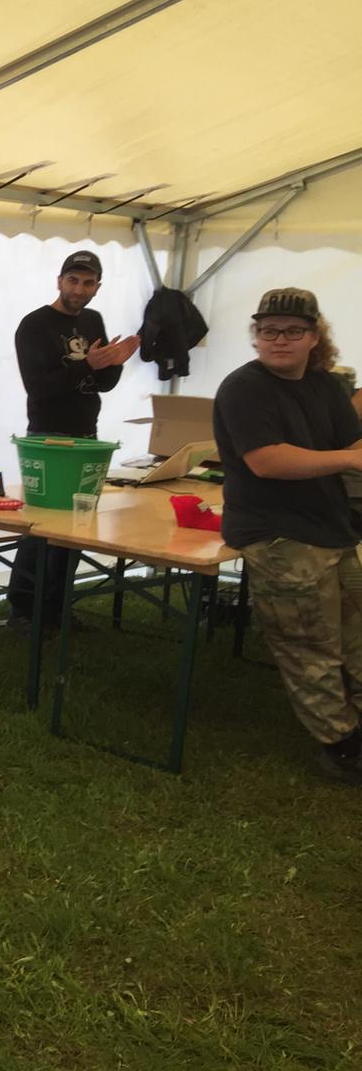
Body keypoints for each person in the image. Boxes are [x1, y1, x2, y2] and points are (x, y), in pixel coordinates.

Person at [212, 287, 362, 784]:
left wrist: (354, 452)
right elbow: (267, 460)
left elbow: (351, 438)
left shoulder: (324, 385)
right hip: (278, 535)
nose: (279, 340)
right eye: (268, 330)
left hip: (332, 529)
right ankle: (340, 746)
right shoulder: (243, 388)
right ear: (256, 335)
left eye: (293, 331)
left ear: (314, 337)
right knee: (309, 646)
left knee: (356, 638)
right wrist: (350, 459)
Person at [5, 250, 140, 633]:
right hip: (48, 437)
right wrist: (88, 364)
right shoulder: (34, 325)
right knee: (42, 526)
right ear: (59, 281)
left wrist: (114, 363)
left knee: (75, 528)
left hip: (86, 435)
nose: (79, 289)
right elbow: (39, 387)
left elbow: (102, 384)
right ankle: (23, 610)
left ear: (98, 287)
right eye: (73, 280)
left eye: (88, 282)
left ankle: (57, 610)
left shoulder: (93, 320)